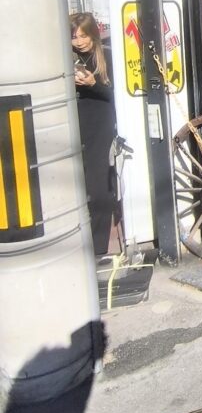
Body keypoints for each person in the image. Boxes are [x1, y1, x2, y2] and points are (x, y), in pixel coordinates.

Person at [71, 13, 120, 256]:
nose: (79, 41)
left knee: (99, 188)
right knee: (74, 188)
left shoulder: (107, 56)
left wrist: (93, 85)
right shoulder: (65, 59)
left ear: (93, 35)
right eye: (74, 37)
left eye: (84, 35)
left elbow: (117, 98)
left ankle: (98, 248)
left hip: (100, 127)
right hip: (73, 127)